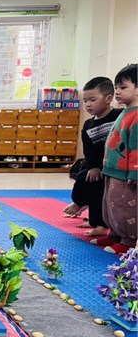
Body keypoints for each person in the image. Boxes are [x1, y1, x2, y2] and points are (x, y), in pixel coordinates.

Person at [62, 77, 122, 236]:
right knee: (85, 179)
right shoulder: (88, 124)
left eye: (92, 100)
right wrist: (93, 167)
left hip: (116, 165)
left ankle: (99, 222)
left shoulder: (119, 116)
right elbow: (88, 150)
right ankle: (85, 210)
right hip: (99, 167)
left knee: (99, 190)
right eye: (85, 101)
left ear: (108, 99)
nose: (88, 104)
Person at [93, 64, 137, 254]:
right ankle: (115, 235)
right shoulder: (125, 112)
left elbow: (136, 147)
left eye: (123, 87)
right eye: (116, 87)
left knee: (124, 207)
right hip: (112, 170)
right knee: (111, 206)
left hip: (125, 174)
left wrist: (134, 172)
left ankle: (128, 241)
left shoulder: (136, 115)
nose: (117, 92)